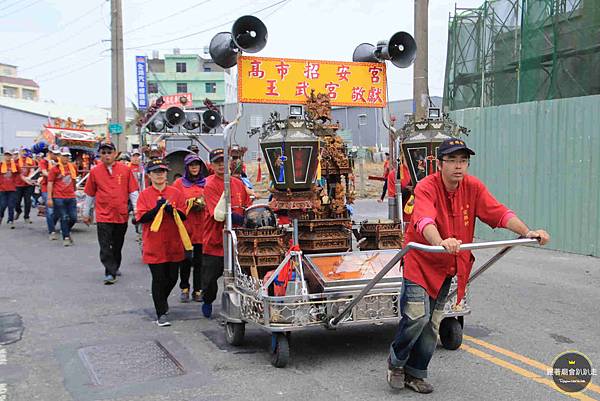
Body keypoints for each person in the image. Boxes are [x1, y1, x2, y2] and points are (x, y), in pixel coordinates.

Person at [386, 138, 550, 394]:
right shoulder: (426, 187)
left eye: (463, 161)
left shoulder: (473, 187)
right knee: (417, 317)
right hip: (421, 261)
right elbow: (423, 220)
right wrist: (440, 241)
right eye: (452, 160)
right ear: (439, 164)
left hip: (449, 266)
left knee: (433, 324)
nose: (458, 166)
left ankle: (415, 373)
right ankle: (396, 363)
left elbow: (498, 213)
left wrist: (527, 231)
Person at [135, 159, 188, 327]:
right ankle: (160, 313)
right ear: (149, 175)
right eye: (156, 172)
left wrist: (173, 210)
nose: (160, 175)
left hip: (173, 243)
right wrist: (155, 209)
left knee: (172, 277)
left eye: (163, 171)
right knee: (158, 279)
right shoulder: (144, 195)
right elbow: (141, 218)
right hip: (154, 244)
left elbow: (184, 215)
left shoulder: (175, 192)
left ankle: (161, 301)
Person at [201, 148, 252, 318]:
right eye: (217, 162)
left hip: (236, 241)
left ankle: (235, 308)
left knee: (238, 277)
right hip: (215, 240)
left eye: (224, 161)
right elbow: (220, 214)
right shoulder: (210, 185)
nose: (221, 165)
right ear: (212, 165)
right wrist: (243, 220)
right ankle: (207, 301)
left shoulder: (238, 184)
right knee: (209, 280)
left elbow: (247, 206)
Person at [83, 141, 139, 285]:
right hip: (103, 214)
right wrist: (86, 212)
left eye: (109, 152)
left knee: (117, 244)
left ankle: (114, 264)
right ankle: (109, 271)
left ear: (115, 154)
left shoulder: (125, 170)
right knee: (105, 244)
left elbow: (133, 191)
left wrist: (138, 211)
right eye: (104, 153)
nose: (107, 155)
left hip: (121, 214)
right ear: (100, 155)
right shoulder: (95, 171)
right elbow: (90, 194)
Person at [173, 154, 207, 302]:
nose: (194, 167)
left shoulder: (206, 183)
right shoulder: (179, 183)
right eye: (191, 165)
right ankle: (184, 287)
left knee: (200, 261)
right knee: (185, 260)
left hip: (202, 227)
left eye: (197, 164)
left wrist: (202, 203)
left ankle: (198, 289)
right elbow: (174, 203)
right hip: (185, 228)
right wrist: (189, 203)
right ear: (187, 167)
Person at [47, 147, 77, 246]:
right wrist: (49, 198)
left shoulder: (73, 167)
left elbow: (74, 180)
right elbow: (50, 183)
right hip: (58, 197)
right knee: (64, 217)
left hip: (71, 196)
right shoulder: (54, 169)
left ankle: (66, 230)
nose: (66, 158)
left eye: (67, 156)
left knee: (73, 218)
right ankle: (66, 237)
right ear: (59, 156)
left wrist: (75, 190)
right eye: (64, 156)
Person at [40, 146, 60, 239]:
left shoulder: (60, 161)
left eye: (57, 153)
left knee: (58, 209)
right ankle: (51, 231)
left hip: (57, 187)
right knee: (50, 209)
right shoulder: (44, 161)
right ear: (49, 153)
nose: (55, 155)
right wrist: (52, 176)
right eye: (53, 153)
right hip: (45, 186)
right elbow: (44, 172)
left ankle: (52, 223)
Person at [14, 148, 36, 224]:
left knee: (28, 201)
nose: (24, 153)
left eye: (25, 152)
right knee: (17, 201)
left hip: (28, 185)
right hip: (18, 184)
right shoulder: (16, 161)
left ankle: (26, 216)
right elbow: (17, 173)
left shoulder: (31, 161)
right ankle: (18, 211)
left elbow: (32, 170)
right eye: (22, 151)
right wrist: (25, 179)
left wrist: (28, 178)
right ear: (20, 153)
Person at [0, 150, 18, 229]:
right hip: (2, 189)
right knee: (3, 205)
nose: (8, 157)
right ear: (4, 156)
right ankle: (1, 216)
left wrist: (28, 180)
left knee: (11, 205)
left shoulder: (15, 166)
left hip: (12, 188)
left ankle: (10, 220)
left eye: (9, 155)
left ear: (11, 156)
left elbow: (20, 175)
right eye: (6, 155)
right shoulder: (1, 165)